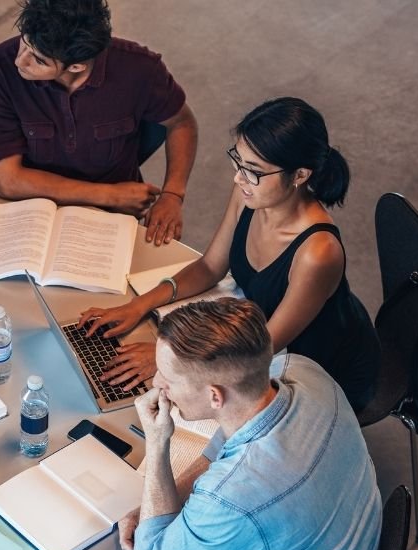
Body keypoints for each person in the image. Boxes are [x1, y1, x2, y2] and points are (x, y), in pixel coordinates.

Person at [79, 97, 380, 411]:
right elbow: (210, 267)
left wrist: (169, 357)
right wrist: (140, 304)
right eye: (239, 161)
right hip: (255, 328)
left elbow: (264, 346)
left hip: (317, 365)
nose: (238, 177)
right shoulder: (249, 194)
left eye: (253, 171)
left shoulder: (318, 253)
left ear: (300, 175)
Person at [119, 298, 380, 550]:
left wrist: (157, 442)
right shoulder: (304, 370)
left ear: (215, 396)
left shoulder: (232, 497)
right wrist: (169, 498)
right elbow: (227, 442)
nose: (156, 382)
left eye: (169, 378)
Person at [0, 0, 198, 246]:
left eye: (38, 60)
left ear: (76, 66)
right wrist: (110, 195)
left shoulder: (141, 70)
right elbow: (9, 181)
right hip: (32, 211)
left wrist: (173, 195)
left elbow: (182, 123)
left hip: (113, 219)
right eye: (24, 42)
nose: (20, 61)